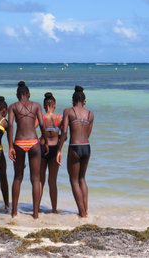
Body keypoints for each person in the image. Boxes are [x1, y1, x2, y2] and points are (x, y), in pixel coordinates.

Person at [7, 81, 47, 219]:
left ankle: (14, 213)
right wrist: (46, 141)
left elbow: (10, 126)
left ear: (17, 95)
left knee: (17, 177)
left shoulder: (12, 106)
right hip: (34, 141)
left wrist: (10, 146)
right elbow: (42, 124)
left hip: (19, 142)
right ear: (28, 94)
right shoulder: (36, 105)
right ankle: (35, 215)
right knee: (35, 179)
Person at [57, 85, 94, 217]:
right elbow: (87, 134)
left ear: (72, 100)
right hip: (86, 147)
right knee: (82, 179)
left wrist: (59, 150)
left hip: (74, 147)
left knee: (73, 180)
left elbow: (65, 132)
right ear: (84, 101)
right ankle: (86, 210)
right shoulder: (90, 114)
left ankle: (82, 213)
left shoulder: (68, 111)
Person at [40, 92, 62, 213]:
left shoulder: (41, 117)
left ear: (44, 106)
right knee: (52, 181)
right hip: (55, 148)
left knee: (40, 181)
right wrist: (59, 147)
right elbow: (65, 135)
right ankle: (54, 210)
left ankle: (36, 209)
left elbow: (31, 129)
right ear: (54, 105)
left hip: (42, 147)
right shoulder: (60, 118)